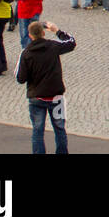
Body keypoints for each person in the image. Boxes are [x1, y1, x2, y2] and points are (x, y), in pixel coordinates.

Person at [15, 21, 76, 154]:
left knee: (37, 131)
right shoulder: (53, 46)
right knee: (60, 129)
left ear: (30, 36)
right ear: (43, 33)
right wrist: (57, 30)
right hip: (56, 96)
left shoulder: (26, 53)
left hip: (37, 97)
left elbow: (20, 78)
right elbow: (71, 43)